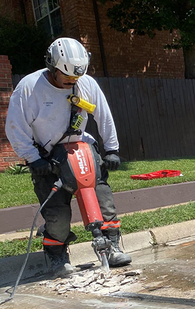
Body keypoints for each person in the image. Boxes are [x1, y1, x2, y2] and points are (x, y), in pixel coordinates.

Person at [5, 37, 131, 277]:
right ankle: (57, 257)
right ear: (52, 67)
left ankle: (112, 247)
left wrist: (112, 149)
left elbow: (104, 115)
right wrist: (32, 158)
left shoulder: (87, 84)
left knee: (104, 202)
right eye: (67, 76)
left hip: (82, 151)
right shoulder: (29, 88)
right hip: (47, 159)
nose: (73, 81)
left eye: (77, 76)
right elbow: (15, 127)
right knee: (57, 216)